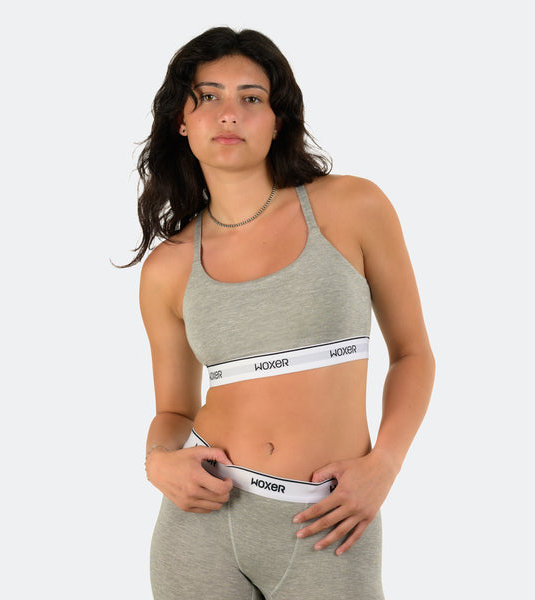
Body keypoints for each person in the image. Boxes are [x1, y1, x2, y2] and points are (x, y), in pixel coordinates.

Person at [126, 26, 435, 600]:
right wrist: (158, 462)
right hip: (202, 526)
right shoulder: (168, 266)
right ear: (181, 121)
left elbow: (413, 354)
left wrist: (385, 465)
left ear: (277, 121)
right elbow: (173, 410)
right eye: (208, 96)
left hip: (330, 521)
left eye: (251, 97)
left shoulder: (353, 207)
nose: (229, 113)